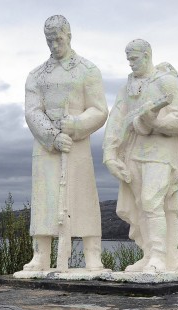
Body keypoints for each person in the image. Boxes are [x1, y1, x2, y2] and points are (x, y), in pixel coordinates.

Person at [21, 15, 108, 272]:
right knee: (45, 199)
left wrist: (77, 125)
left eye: (58, 39)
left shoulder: (87, 70)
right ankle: (41, 255)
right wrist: (53, 136)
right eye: (49, 40)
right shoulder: (36, 75)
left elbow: (99, 109)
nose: (54, 45)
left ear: (69, 36)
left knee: (84, 197)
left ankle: (93, 254)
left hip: (77, 146)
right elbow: (32, 111)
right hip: (46, 146)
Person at [102, 39, 178, 272]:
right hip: (133, 153)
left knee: (151, 201)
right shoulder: (127, 87)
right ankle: (149, 254)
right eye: (129, 60)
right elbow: (116, 121)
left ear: (147, 55)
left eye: (135, 58)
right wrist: (110, 154)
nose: (131, 64)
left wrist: (156, 123)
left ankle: (160, 257)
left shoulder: (165, 82)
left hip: (160, 152)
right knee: (139, 206)